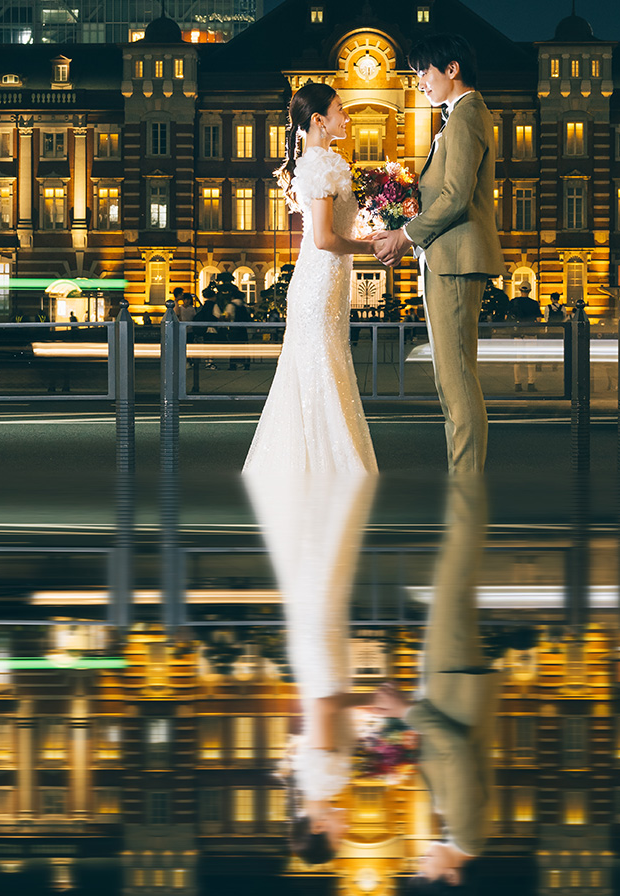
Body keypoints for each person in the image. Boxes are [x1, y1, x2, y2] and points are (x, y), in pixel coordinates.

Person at [241, 81, 378, 858]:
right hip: (323, 280)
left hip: (321, 281)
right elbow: (328, 242)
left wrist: (375, 704)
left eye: (334, 830)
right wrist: (381, 239)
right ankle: (325, 460)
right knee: (321, 365)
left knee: (318, 365)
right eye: (341, 110)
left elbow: (326, 705)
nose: (348, 119)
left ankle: (316, 461)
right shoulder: (308, 778)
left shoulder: (314, 160)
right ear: (321, 116)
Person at [368, 34, 503, 473]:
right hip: (448, 257)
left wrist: (406, 235)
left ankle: (466, 485)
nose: (419, 82)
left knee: (457, 377)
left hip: (456, 260)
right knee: (451, 377)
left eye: (423, 71)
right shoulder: (457, 117)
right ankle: (463, 478)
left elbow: (456, 196)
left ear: (452, 69)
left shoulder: (466, 116)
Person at [368, 475, 495, 892]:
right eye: (426, 872)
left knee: (457, 559)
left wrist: (397, 757)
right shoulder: (468, 833)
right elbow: (456, 749)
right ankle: (465, 434)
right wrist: (405, 712)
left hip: (451, 682)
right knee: (458, 554)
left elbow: (442, 758)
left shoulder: (460, 832)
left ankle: (466, 460)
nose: (421, 861)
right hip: (454, 679)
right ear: (452, 876)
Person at [506, 281, 543, 392]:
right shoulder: (534, 303)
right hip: (530, 334)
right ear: (530, 290)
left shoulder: (513, 302)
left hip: (517, 334)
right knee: (530, 361)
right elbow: (538, 319)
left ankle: (517, 383)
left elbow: (508, 316)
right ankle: (531, 383)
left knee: (517, 360)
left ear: (520, 290)